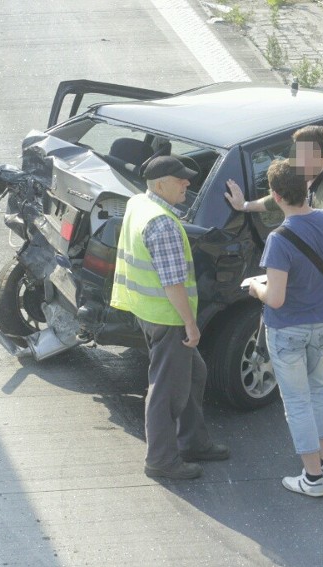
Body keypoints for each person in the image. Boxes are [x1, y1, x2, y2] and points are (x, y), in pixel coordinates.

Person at [226, 125, 323, 451]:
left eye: (308, 155)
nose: (301, 161)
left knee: (319, 361)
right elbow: (280, 198)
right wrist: (246, 205)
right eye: (298, 154)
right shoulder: (306, 181)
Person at [110, 155, 230, 480]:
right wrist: (190, 324)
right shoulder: (162, 224)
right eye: (181, 180)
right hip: (168, 317)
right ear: (161, 184)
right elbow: (172, 282)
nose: (188, 184)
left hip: (148, 311)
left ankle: (193, 441)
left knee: (194, 374)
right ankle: (161, 460)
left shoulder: (139, 203)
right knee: (165, 392)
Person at [246, 159, 323, 497]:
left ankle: (312, 478)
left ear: (276, 197)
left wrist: (255, 288)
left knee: (296, 401)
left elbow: (275, 299)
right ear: (307, 186)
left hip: (288, 330)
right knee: (319, 389)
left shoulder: (279, 240)